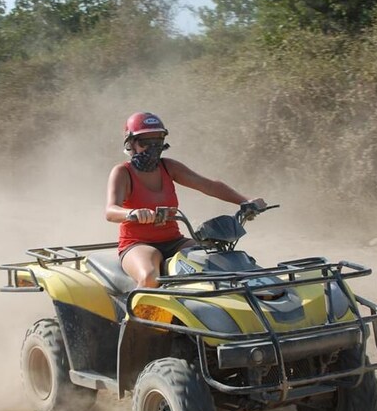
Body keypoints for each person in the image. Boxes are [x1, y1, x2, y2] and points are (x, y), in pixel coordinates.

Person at [105, 111, 266, 288]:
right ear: (131, 144)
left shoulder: (169, 167)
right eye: (145, 142)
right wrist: (132, 213)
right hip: (137, 244)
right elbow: (111, 211)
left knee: (218, 263)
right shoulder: (122, 172)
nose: (152, 148)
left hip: (174, 240)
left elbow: (209, 186)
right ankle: (132, 316)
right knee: (150, 277)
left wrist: (245, 201)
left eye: (157, 142)